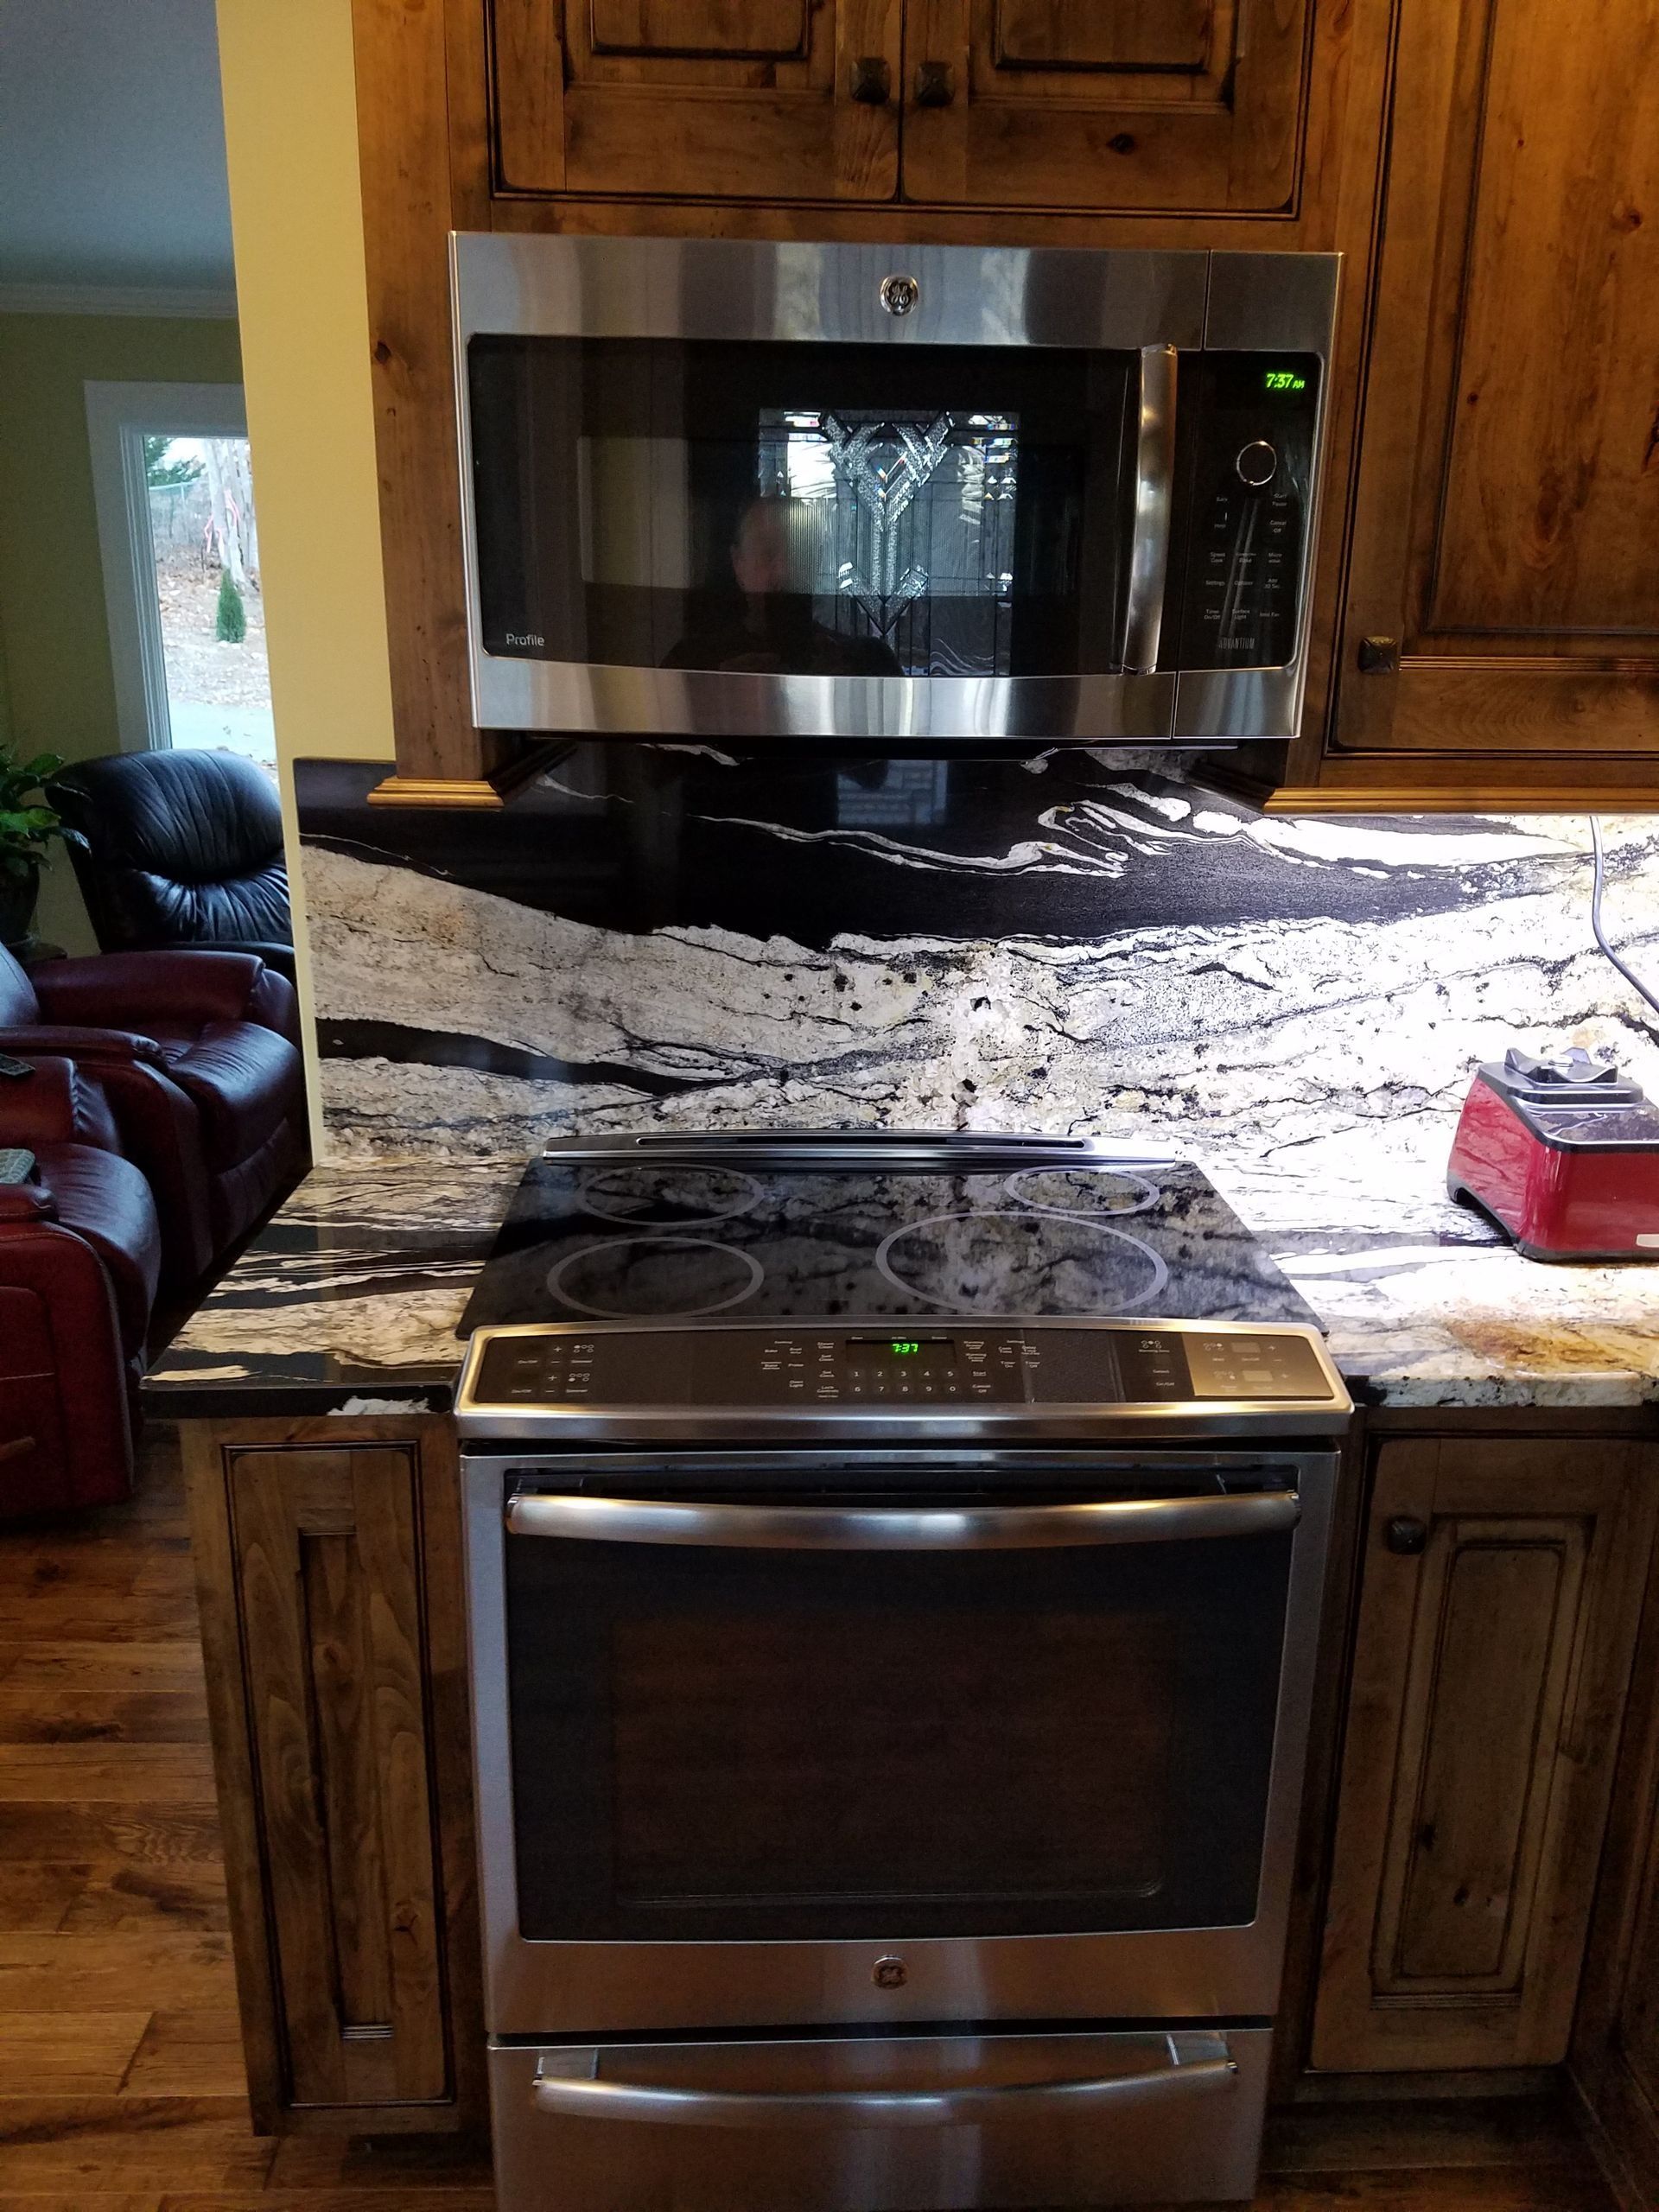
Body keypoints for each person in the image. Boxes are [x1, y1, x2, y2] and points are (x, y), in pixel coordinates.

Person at [663, 496, 902, 676]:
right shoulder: (691, 663)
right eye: (767, 554)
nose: (783, 570)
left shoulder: (869, 662)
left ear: (816, 561)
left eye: (798, 553)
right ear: (738, 563)